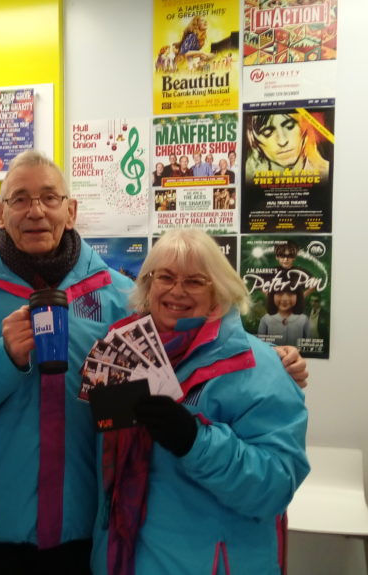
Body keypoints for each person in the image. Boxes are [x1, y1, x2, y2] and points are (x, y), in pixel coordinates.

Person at [0, 151, 310, 575]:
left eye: (49, 197)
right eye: (20, 199)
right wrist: (4, 359)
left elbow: (195, 337)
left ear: (71, 209)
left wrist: (274, 359)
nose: (36, 211)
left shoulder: (120, 296)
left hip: (87, 530)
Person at [91, 228, 309, 574]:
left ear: (218, 291)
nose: (177, 291)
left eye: (194, 281)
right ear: (148, 285)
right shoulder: (124, 354)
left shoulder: (260, 366)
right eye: (165, 277)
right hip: (127, 558)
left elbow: (276, 484)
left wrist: (195, 442)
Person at [245, 111, 330, 177]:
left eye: (290, 126)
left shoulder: (327, 173)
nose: (282, 141)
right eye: (267, 132)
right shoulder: (248, 179)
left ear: (305, 127)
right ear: (252, 138)